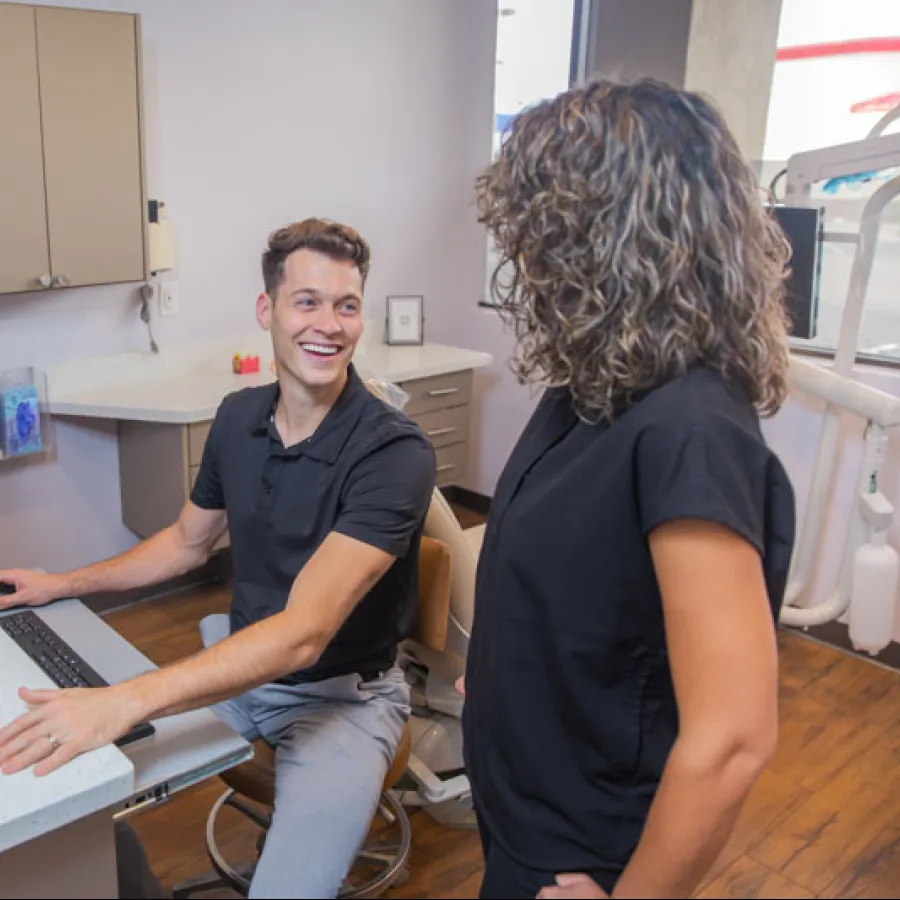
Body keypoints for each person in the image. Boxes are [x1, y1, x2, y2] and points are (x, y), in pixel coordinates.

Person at [0, 218, 437, 899]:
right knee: (68, 792)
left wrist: (125, 700)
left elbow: (303, 633)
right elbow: (185, 542)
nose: (329, 323)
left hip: (344, 699)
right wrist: (60, 582)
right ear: (267, 310)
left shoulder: (393, 452)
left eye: (347, 305)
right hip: (243, 670)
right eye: (308, 301)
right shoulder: (238, 417)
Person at [460, 79, 797, 899]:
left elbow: (732, 739)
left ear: (608, 234)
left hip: (584, 857)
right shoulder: (595, 382)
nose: (527, 256)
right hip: (525, 808)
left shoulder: (691, 429)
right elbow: (586, 586)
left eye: (543, 230)